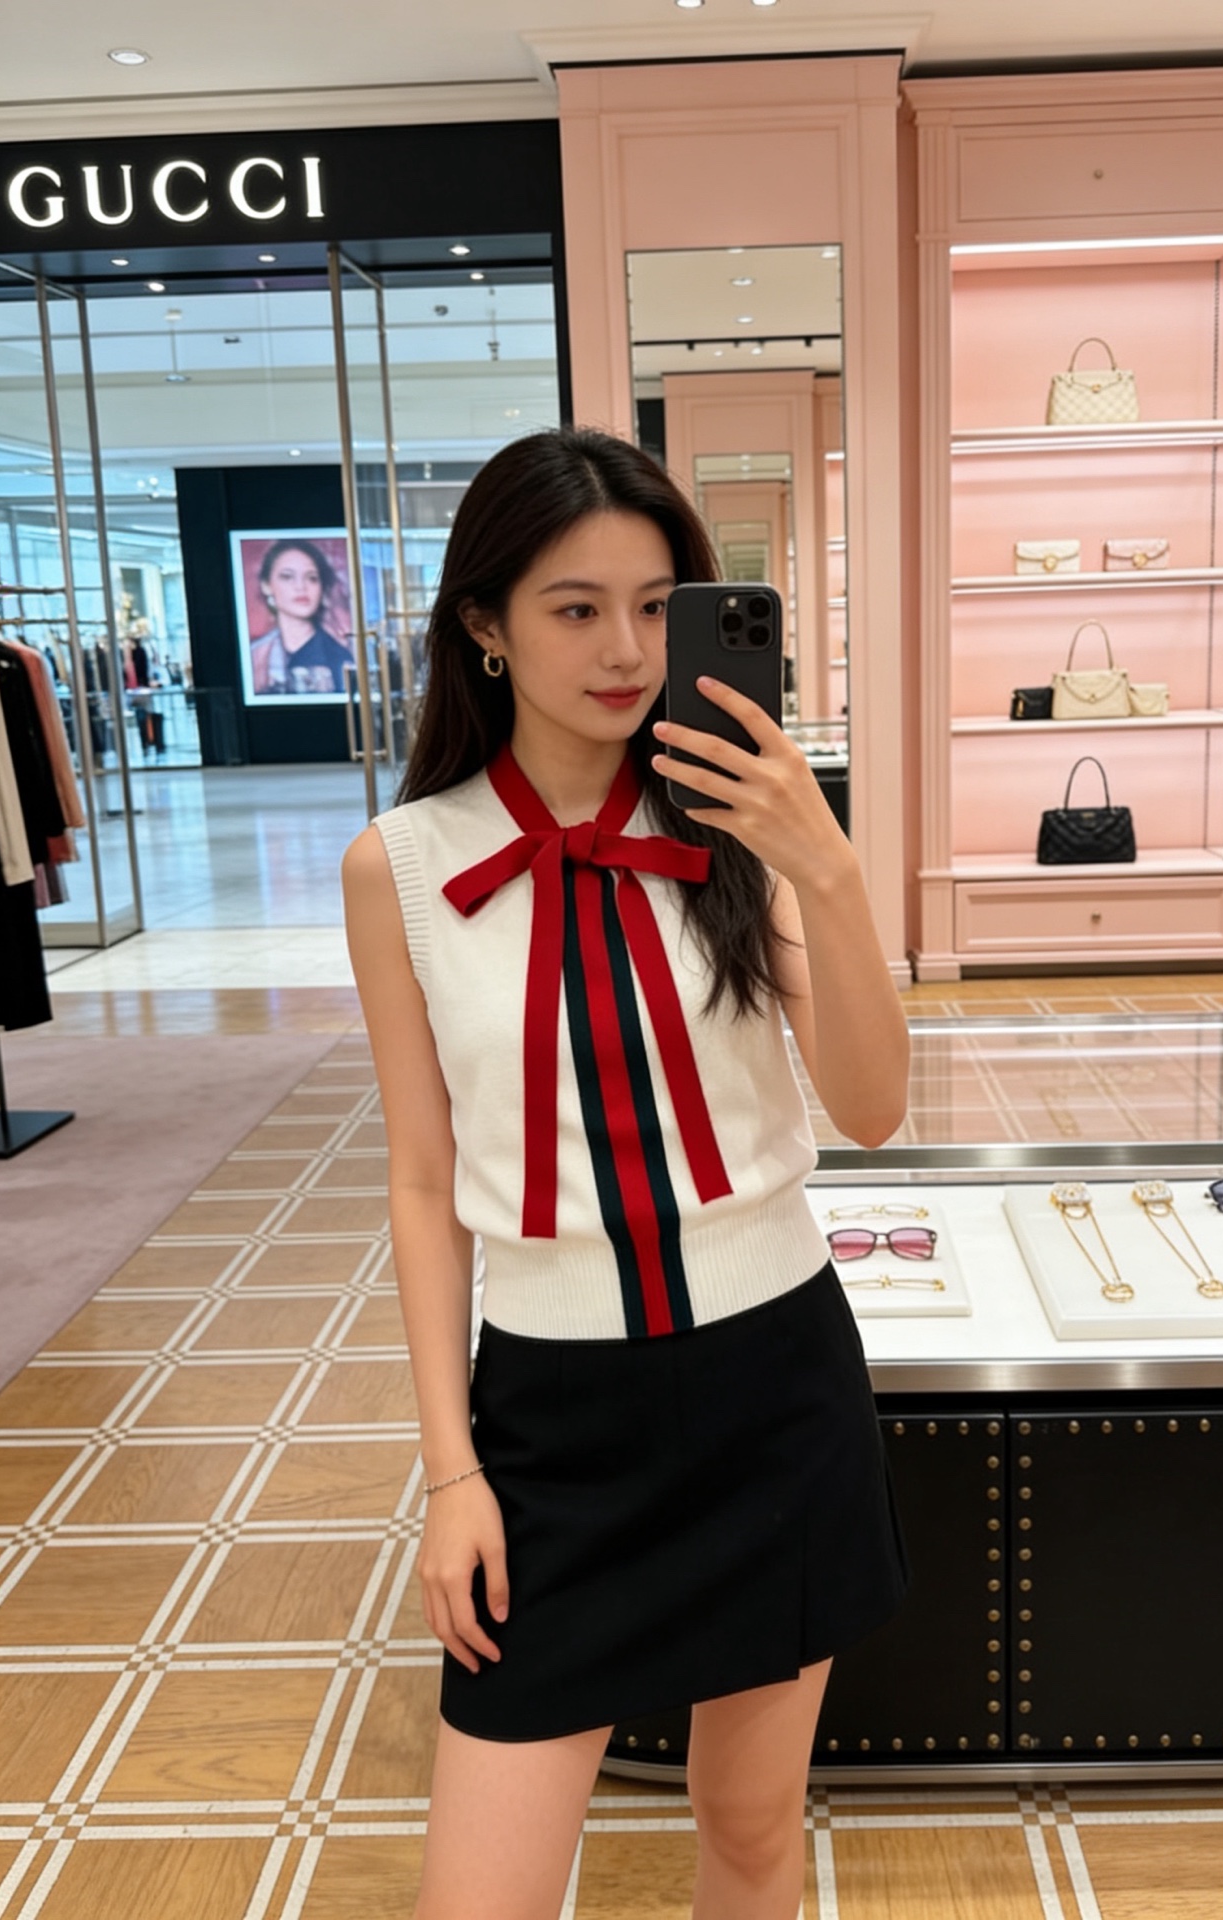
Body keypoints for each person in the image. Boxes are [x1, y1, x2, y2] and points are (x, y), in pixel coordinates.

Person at [342, 427, 911, 1920]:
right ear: (486, 624)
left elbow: (871, 1109)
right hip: (554, 1423)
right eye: (576, 607)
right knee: (480, 1899)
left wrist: (828, 867)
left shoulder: (735, 827)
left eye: (658, 607)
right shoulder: (402, 867)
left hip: (775, 1388)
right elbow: (421, 1184)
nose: (627, 651)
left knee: (751, 1828)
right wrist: (451, 1471)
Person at [249, 538, 353, 694]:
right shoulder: (255, 655)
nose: (301, 587)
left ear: (322, 587)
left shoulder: (340, 658)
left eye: (312, 578)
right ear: (266, 585)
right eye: (287, 576)